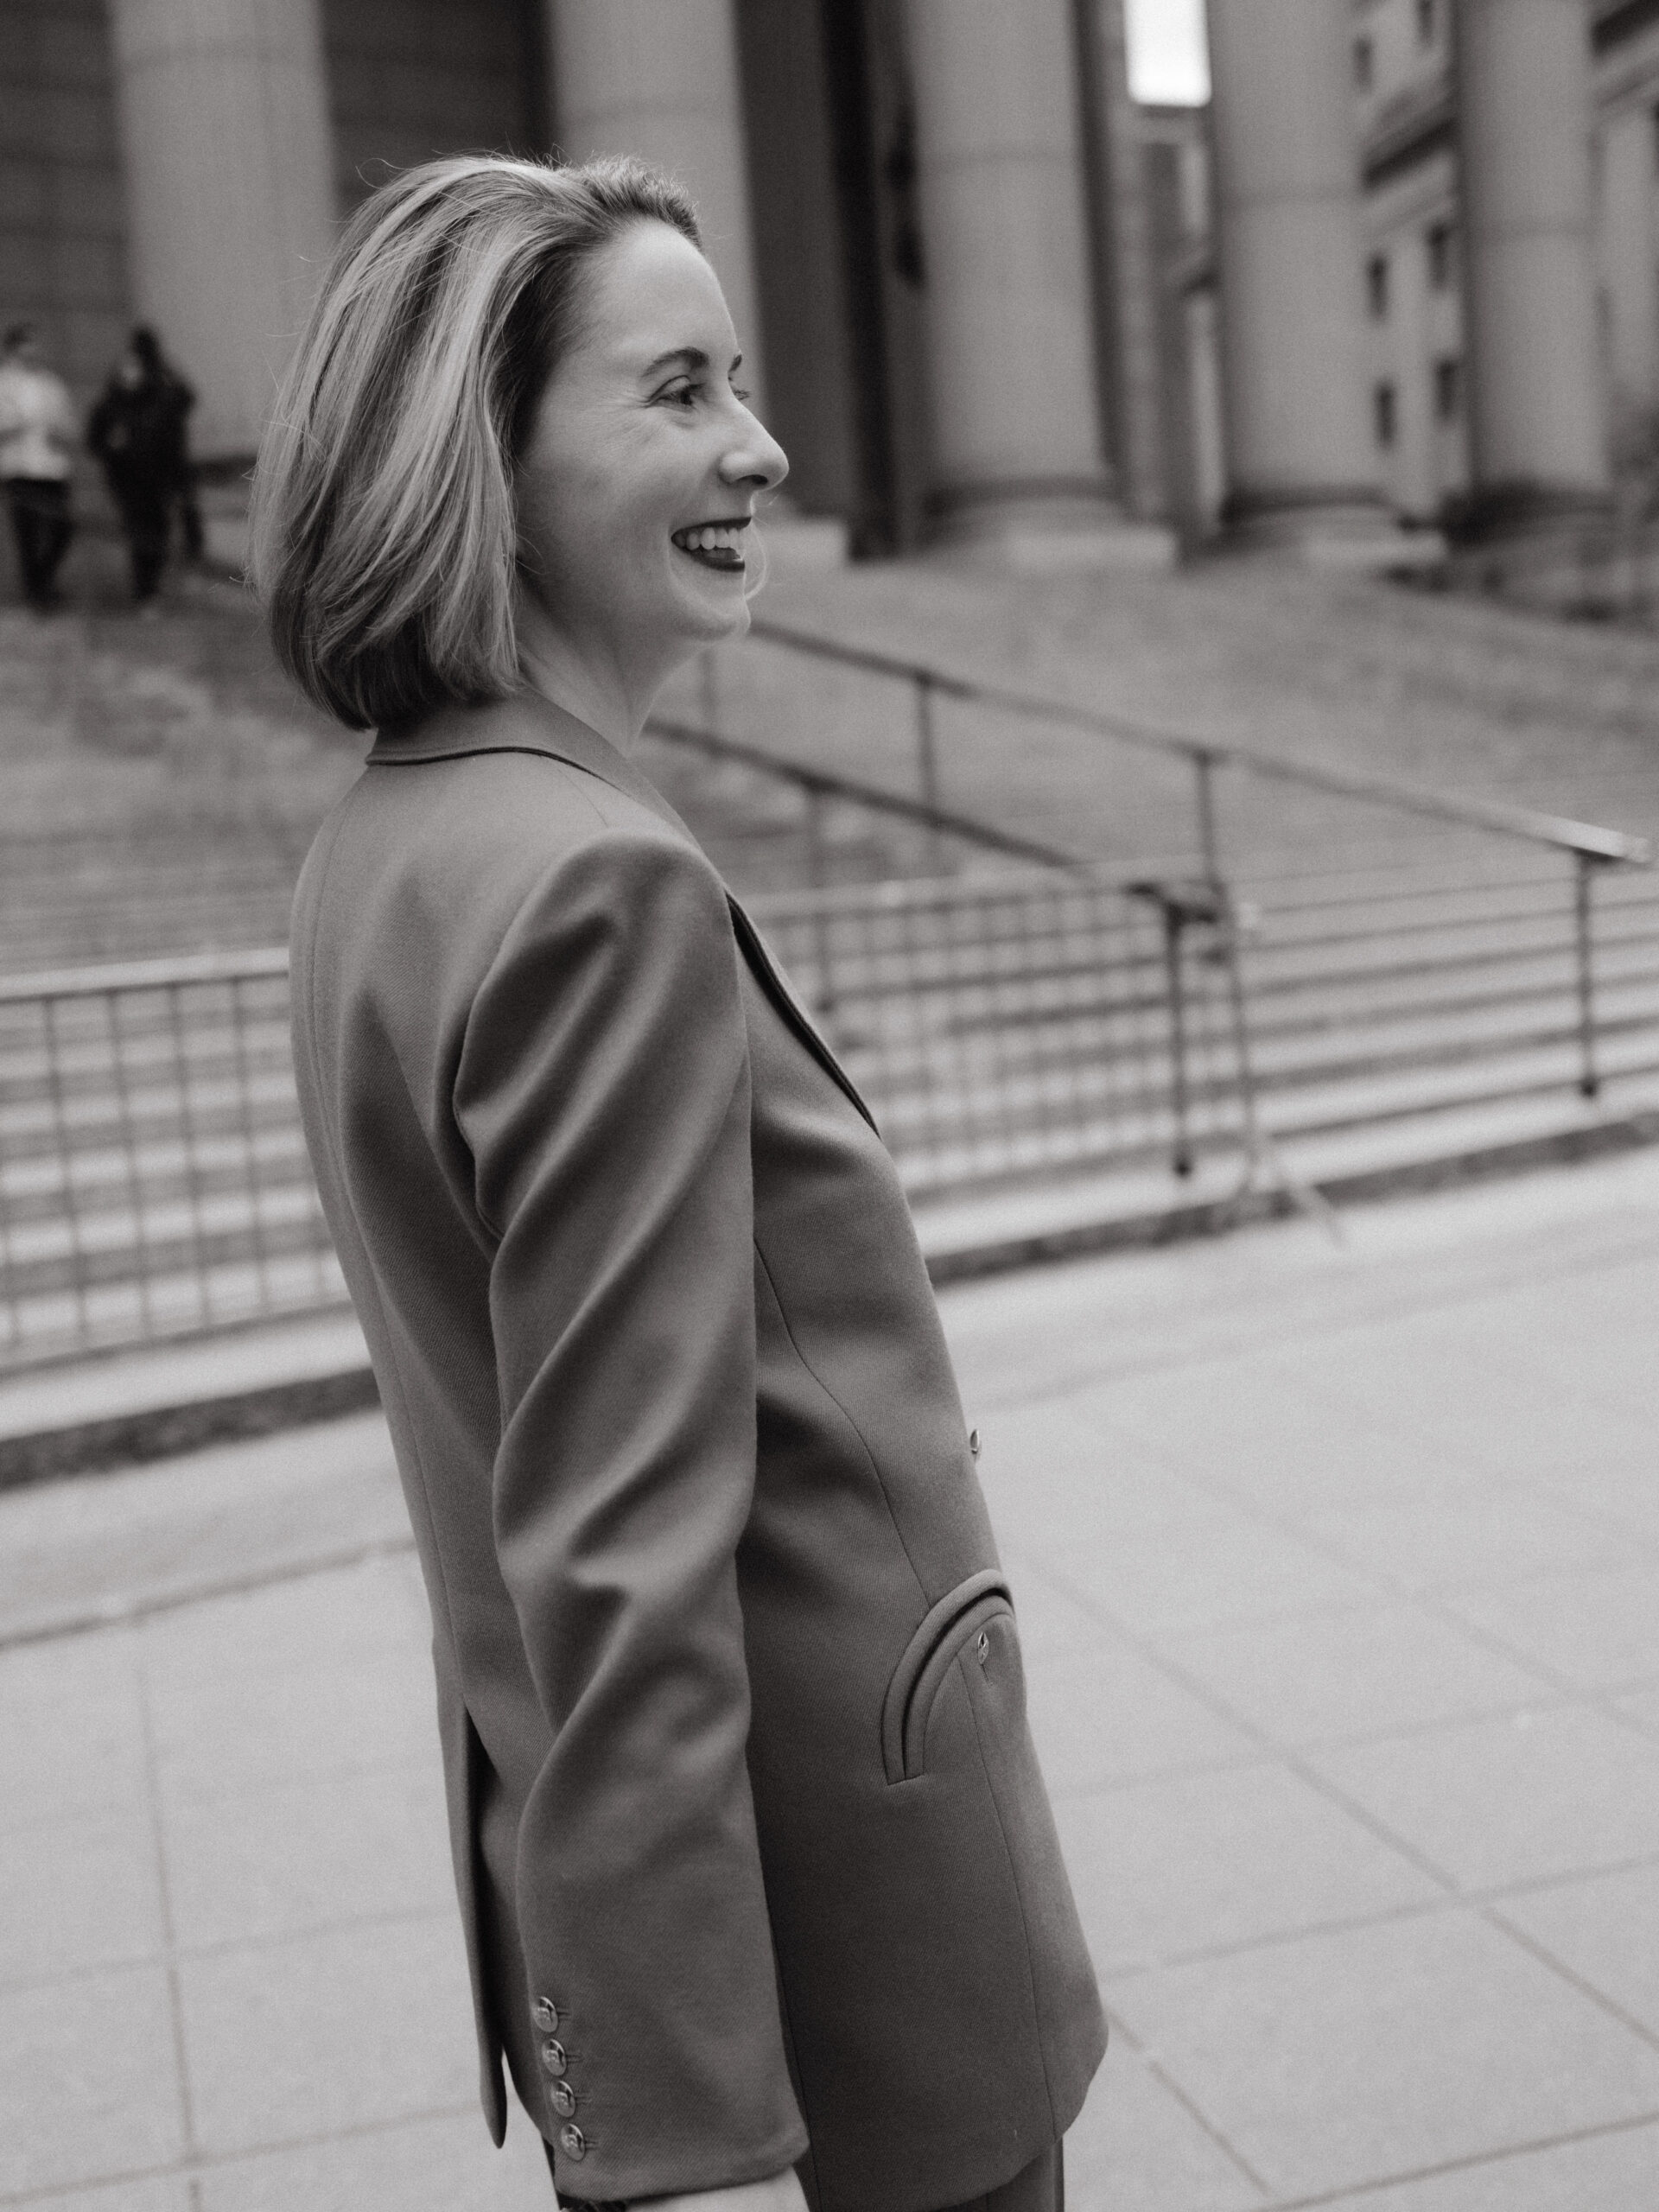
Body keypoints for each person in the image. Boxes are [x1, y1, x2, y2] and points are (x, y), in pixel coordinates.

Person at [253, 155, 1105, 2212]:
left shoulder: (390, 843)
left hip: (660, 1940)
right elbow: (626, 1557)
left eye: (744, 381)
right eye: (678, 391)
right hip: (842, 2001)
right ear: (484, 451)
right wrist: (699, 2147)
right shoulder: (593, 879)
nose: (763, 444)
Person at [87, 326, 194, 603]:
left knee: (159, 532)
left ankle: (153, 585)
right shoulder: (109, 407)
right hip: (126, 483)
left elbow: (185, 398)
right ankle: (144, 590)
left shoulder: (156, 400)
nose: (131, 373)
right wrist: (112, 448)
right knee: (140, 534)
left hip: (157, 481)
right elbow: (94, 442)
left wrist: (164, 367)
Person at [0, 322, 75, 609]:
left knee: (64, 528)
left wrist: (61, 431)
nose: (33, 350)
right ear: (14, 348)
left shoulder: (51, 383)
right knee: (28, 535)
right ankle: (37, 592)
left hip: (52, 467)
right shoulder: (4, 383)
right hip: (18, 469)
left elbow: (67, 422)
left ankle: (43, 580)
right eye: (27, 343)